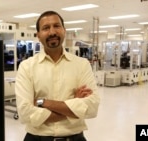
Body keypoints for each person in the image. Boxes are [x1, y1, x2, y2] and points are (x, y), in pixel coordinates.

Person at [15, 10, 100, 141]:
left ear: (64, 30)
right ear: (38, 35)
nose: (52, 32)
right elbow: (25, 113)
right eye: (46, 28)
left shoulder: (82, 65)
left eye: (56, 26)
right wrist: (73, 106)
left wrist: (43, 102)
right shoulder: (26, 67)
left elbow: (92, 107)